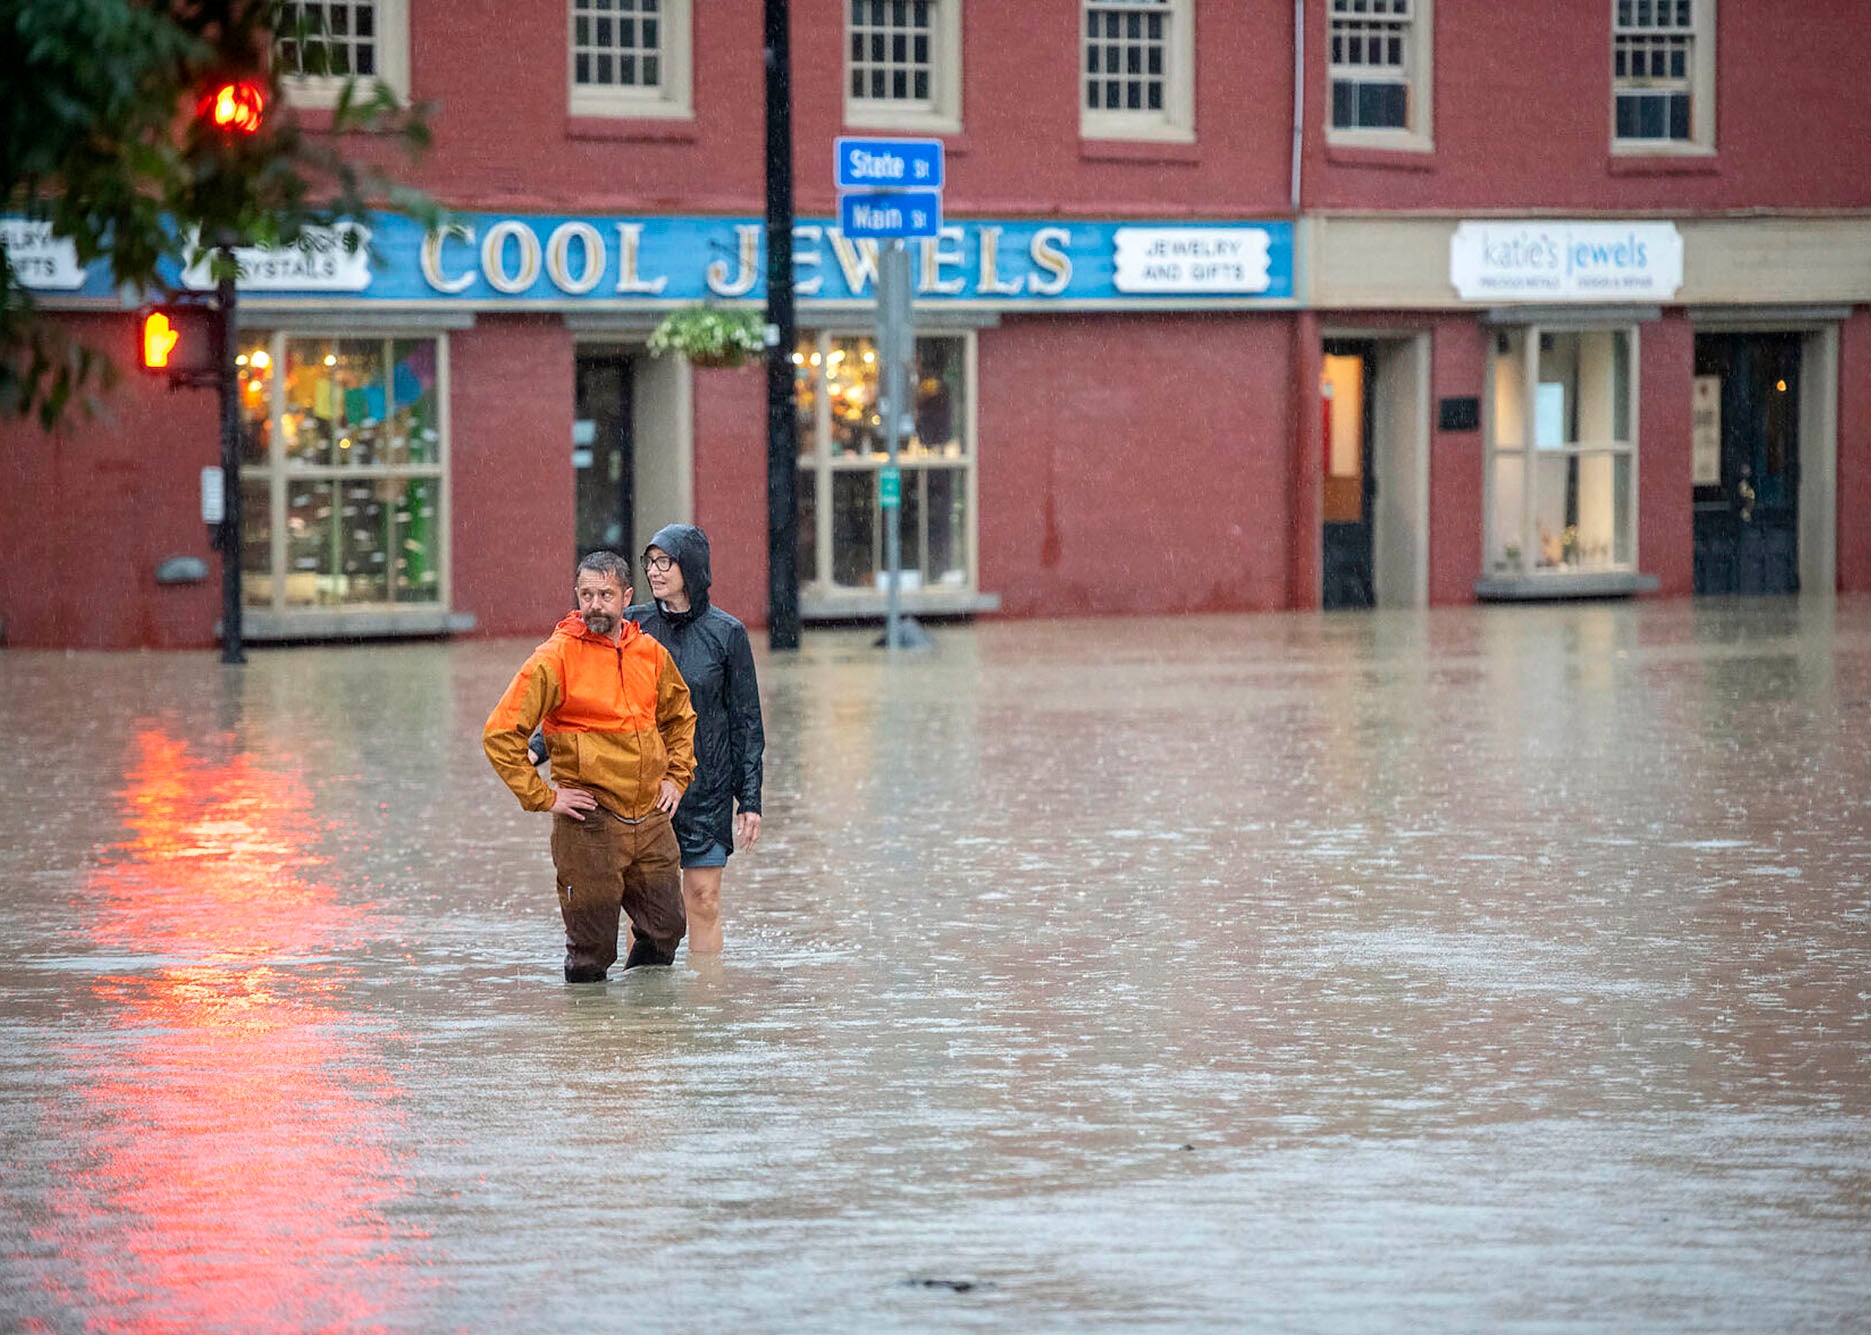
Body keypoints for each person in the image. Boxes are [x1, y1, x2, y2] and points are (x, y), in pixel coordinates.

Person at [484, 551, 697, 982]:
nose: (595, 605)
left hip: (651, 817)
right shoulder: (554, 657)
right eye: (586, 595)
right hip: (589, 819)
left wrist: (677, 777)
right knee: (591, 950)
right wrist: (545, 796)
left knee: (667, 930)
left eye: (605, 594)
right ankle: (590, 1041)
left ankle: (649, 1033)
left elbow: (680, 717)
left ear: (627, 596)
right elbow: (500, 735)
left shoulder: (650, 653)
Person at [628, 523, 764, 954]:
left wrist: (751, 799)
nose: (654, 571)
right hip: (644, 785)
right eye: (650, 562)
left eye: (664, 561)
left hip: (708, 789)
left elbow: (746, 720)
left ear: (691, 567)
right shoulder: (632, 627)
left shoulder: (728, 634)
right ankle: (644, 1006)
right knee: (645, 909)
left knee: (703, 900)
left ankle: (707, 1005)